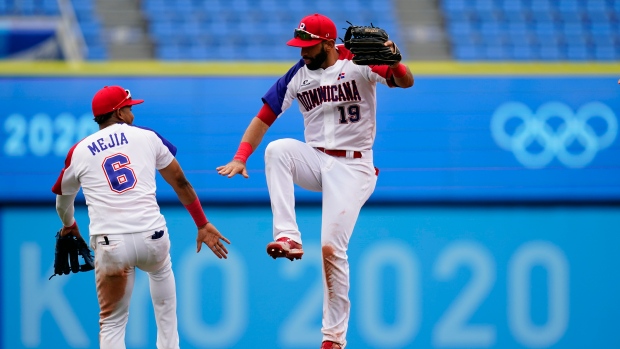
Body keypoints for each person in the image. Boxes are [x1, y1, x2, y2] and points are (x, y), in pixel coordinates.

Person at [217, 13, 413, 349]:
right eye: (299, 45)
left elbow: (404, 81)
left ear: (327, 43)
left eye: (308, 45)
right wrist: (240, 156)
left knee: (331, 248)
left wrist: (396, 61)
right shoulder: (298, 74)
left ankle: (333, 339)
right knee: (278, 150)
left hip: (354, 167)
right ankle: (288, 236)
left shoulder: (358, 59)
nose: (302, 51)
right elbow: (264, 117)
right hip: (317, 159)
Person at [52, 85, 231, 349]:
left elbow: (62, 200)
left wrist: (69, 225)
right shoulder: (147, 137)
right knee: (164, 298)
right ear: (119, 113)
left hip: (110, 243)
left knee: (112, 323)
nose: (133, 112)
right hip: (152, 236)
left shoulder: (79, 151)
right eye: (129, 107)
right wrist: (201, 223)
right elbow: (180, 182)